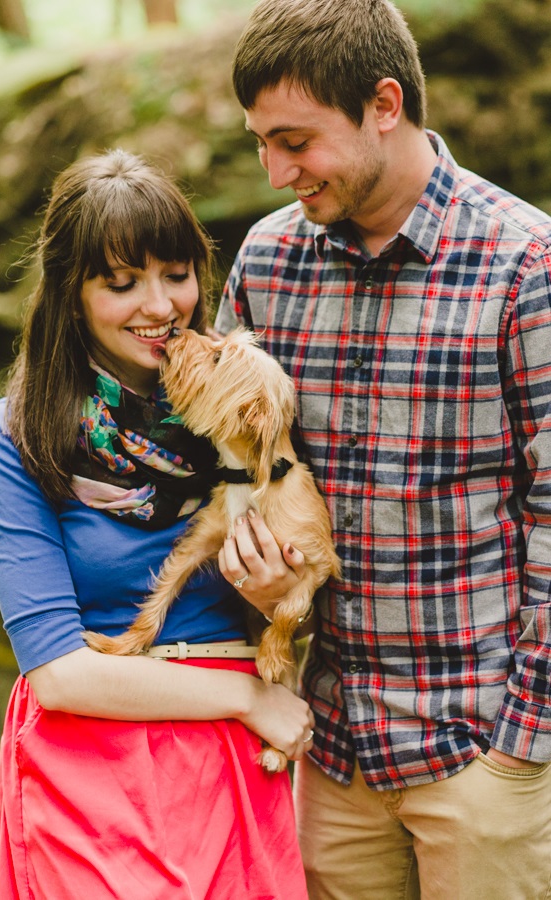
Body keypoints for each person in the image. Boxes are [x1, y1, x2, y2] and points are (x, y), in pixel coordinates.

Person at [214, 1, 551, 897]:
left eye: (296, 141)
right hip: (325, 759)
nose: (277, 170)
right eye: (260, 143)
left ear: (385, 104)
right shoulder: (263, 263)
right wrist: (246, 558)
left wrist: (524, 744)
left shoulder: (525, 264)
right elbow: (230, 461)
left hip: (481, 762)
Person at [0, 148, 314, 900]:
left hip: (234, 763)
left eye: (177, 274)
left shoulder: (243, 403)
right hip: (87, 770)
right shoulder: (19, 435)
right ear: (71, 295)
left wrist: (281, 602)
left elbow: (313, 579)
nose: (160, 306)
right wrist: (249, 698)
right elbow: (59, 673)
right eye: (121, 284)